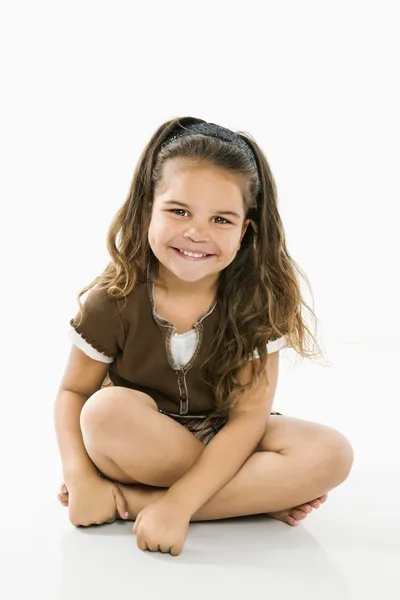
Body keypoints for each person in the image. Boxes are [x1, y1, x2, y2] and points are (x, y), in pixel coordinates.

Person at [54, 117, 354, 556]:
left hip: (224, 432)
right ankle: (250, 496)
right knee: (104, 411)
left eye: (221, 219)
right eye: (179, 211)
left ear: (244, 232)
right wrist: (79, 475)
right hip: (141, 438)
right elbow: (72, 392)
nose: (197, 233)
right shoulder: (113, 298)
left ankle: (141, 502)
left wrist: (178, 504)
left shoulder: (254, 301)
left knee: (331, 452)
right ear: (146, 211)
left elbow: (249, 420)